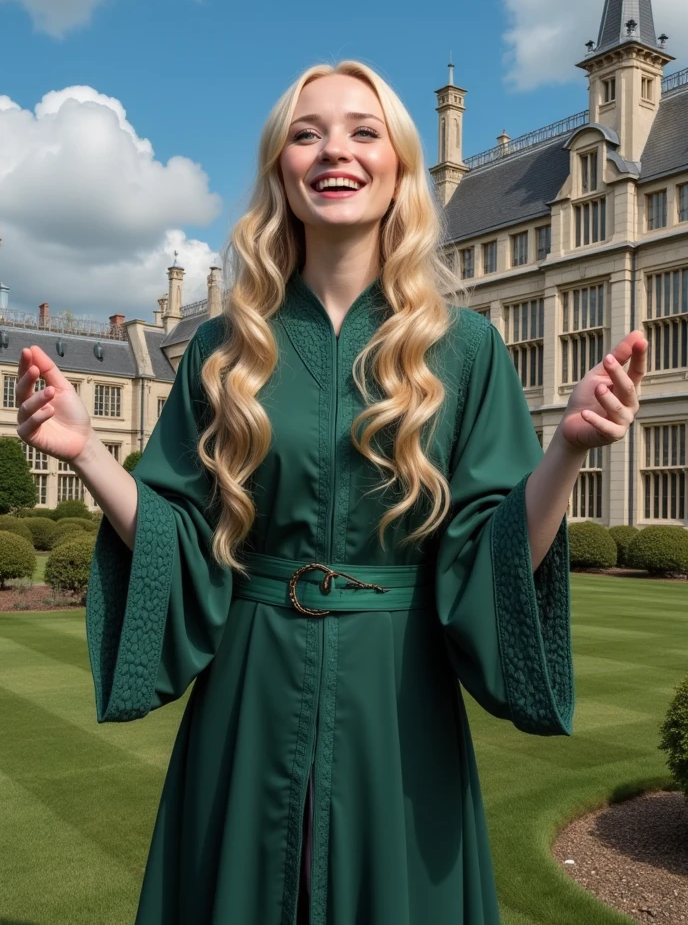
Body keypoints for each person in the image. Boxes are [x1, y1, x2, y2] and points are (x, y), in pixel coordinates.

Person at [15, 60, 647, 925]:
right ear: (281, 169)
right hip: (248, 691)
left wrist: (569, 449)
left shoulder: (462, 349)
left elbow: (491, 554)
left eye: (362, 130)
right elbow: (179, 539)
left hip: (401, 707)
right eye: (306, 134)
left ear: (400, 168)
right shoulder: (223, 351)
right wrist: (87, 451)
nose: (332, 151)